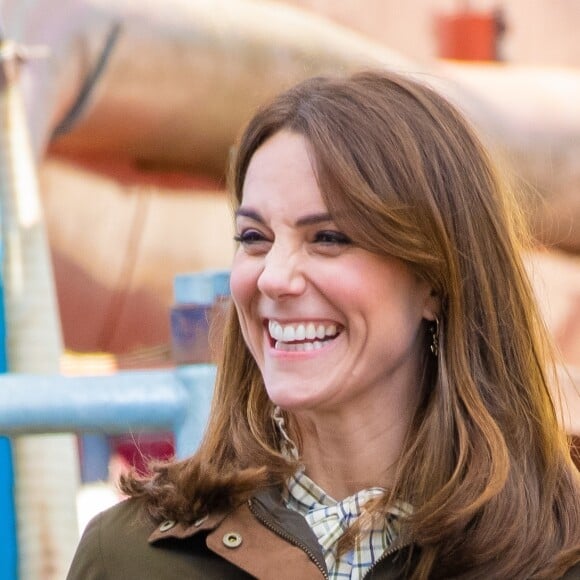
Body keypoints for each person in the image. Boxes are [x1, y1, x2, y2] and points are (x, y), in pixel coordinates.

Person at [67, 70, 580, 579]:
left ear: (434, 280)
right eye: (254, 237)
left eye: (329, 238)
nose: (274, 278)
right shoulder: (129, 557)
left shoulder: (557, 553)